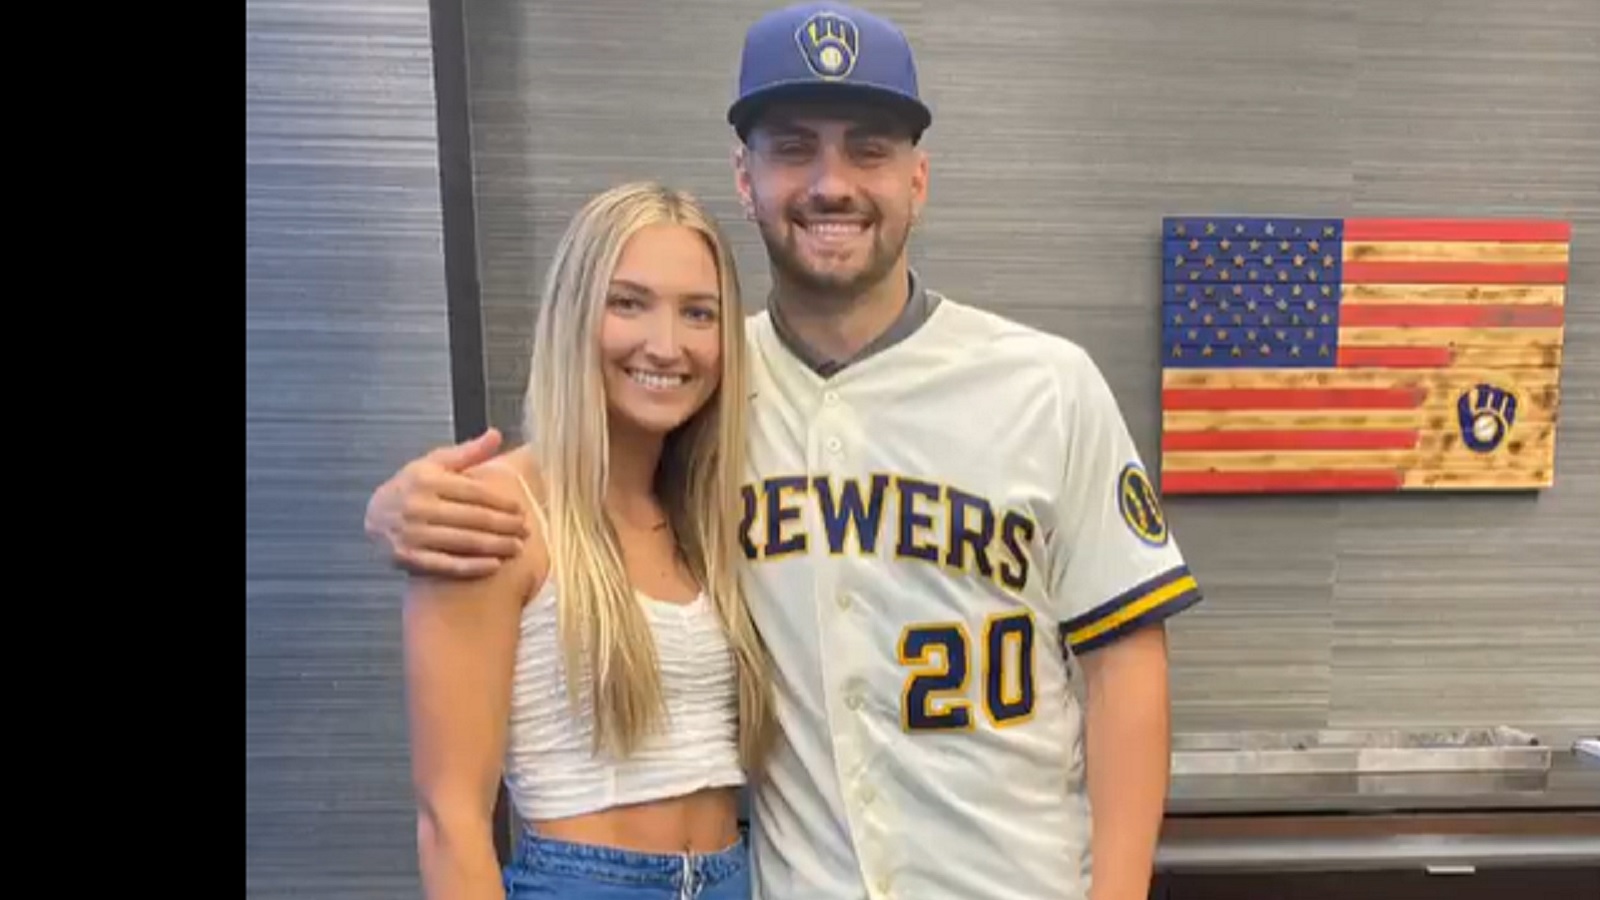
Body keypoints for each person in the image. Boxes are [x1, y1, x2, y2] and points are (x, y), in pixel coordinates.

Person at [369, 4, 1204, 899]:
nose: (831, 183)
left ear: (918, 178)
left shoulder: (1047, 384)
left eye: (869, 149)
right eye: (794, 147)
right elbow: (574, 480)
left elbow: (1125, 666)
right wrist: (400, 505)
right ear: (745, 174)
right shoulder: (706, 388)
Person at [399, 180, 776, 900]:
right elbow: (450, 821)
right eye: (628, 302)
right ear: (576, 314)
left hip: (740, 877)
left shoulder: (709, 514)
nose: (665, 345)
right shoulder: (494, 512)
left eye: (698, 313)